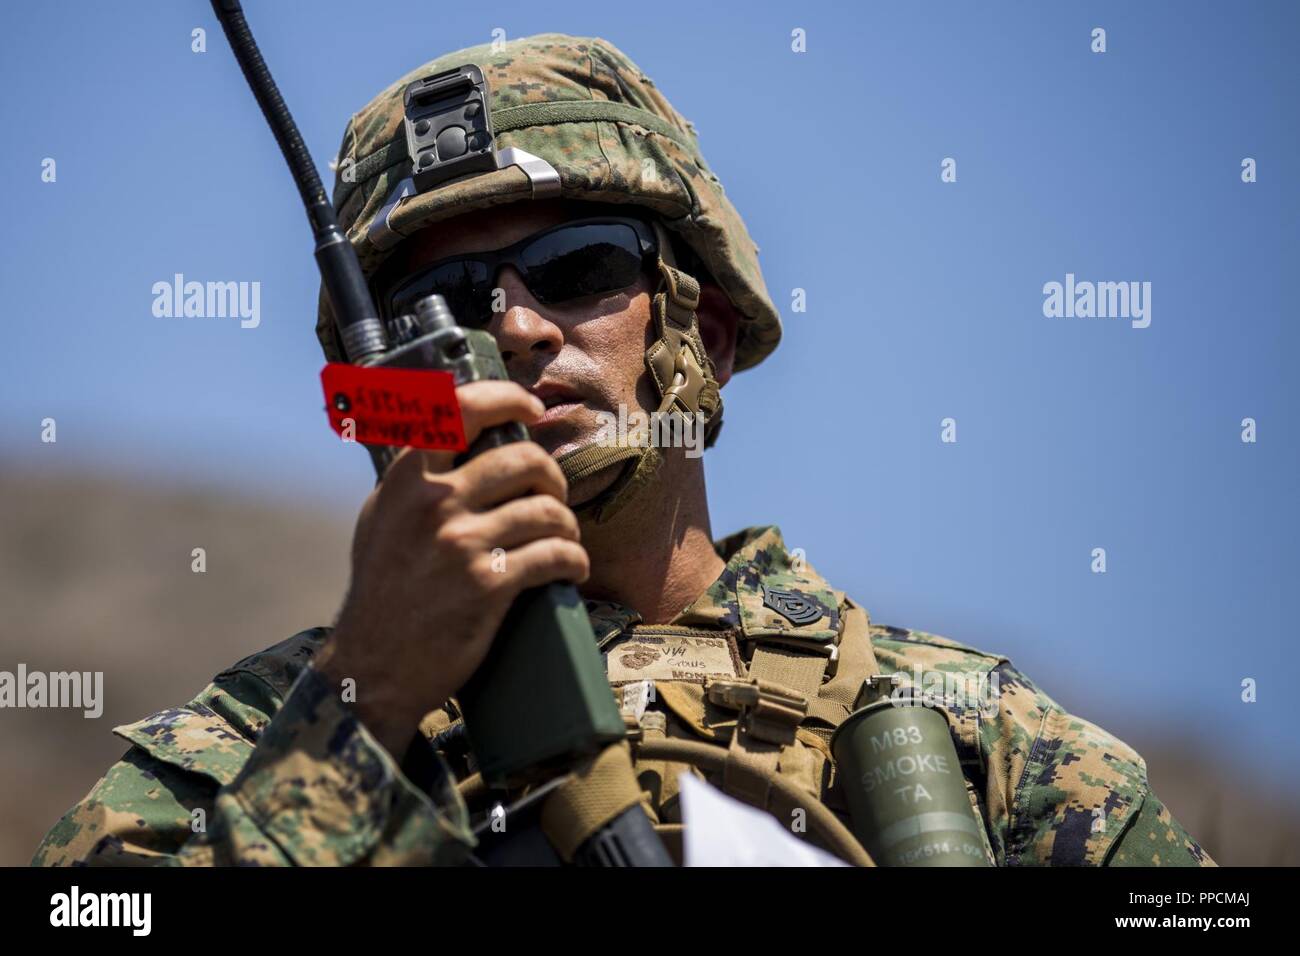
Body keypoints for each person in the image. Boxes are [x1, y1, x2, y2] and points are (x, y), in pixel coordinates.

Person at [33, 33, 1212, 867]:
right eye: (435, 302)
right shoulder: (234, 752)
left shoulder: (991, 747)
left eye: (578, 267)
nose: (513, 325)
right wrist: (363, 699)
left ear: (703, 324)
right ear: (377, 382)